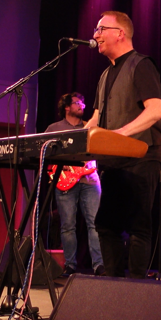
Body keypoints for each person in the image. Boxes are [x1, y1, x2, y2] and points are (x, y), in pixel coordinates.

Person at [84, 11, 161, 279]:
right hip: (113, 161)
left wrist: (119, 135)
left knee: (138, 226)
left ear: (120, 33)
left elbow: (155, 111)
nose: (95, 35)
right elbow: (95, 119)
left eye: (100, 28)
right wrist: (66, 140)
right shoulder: (105, 75)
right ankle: (114, 287)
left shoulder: (141, 65)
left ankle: (136, 291)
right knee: (106, 225)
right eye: (95, 30)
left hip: (143, 157)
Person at [45, 92, 104, 276]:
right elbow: (44, 151)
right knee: (67, 225)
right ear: (67, 107)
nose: (82, 106)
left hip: (89, 178)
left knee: (95, 223)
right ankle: (70, 265)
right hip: (64, 178)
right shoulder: (54, 128)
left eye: (83, 103)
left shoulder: (90, 126)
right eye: (78, 103)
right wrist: (54, 170)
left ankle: (99, 266)